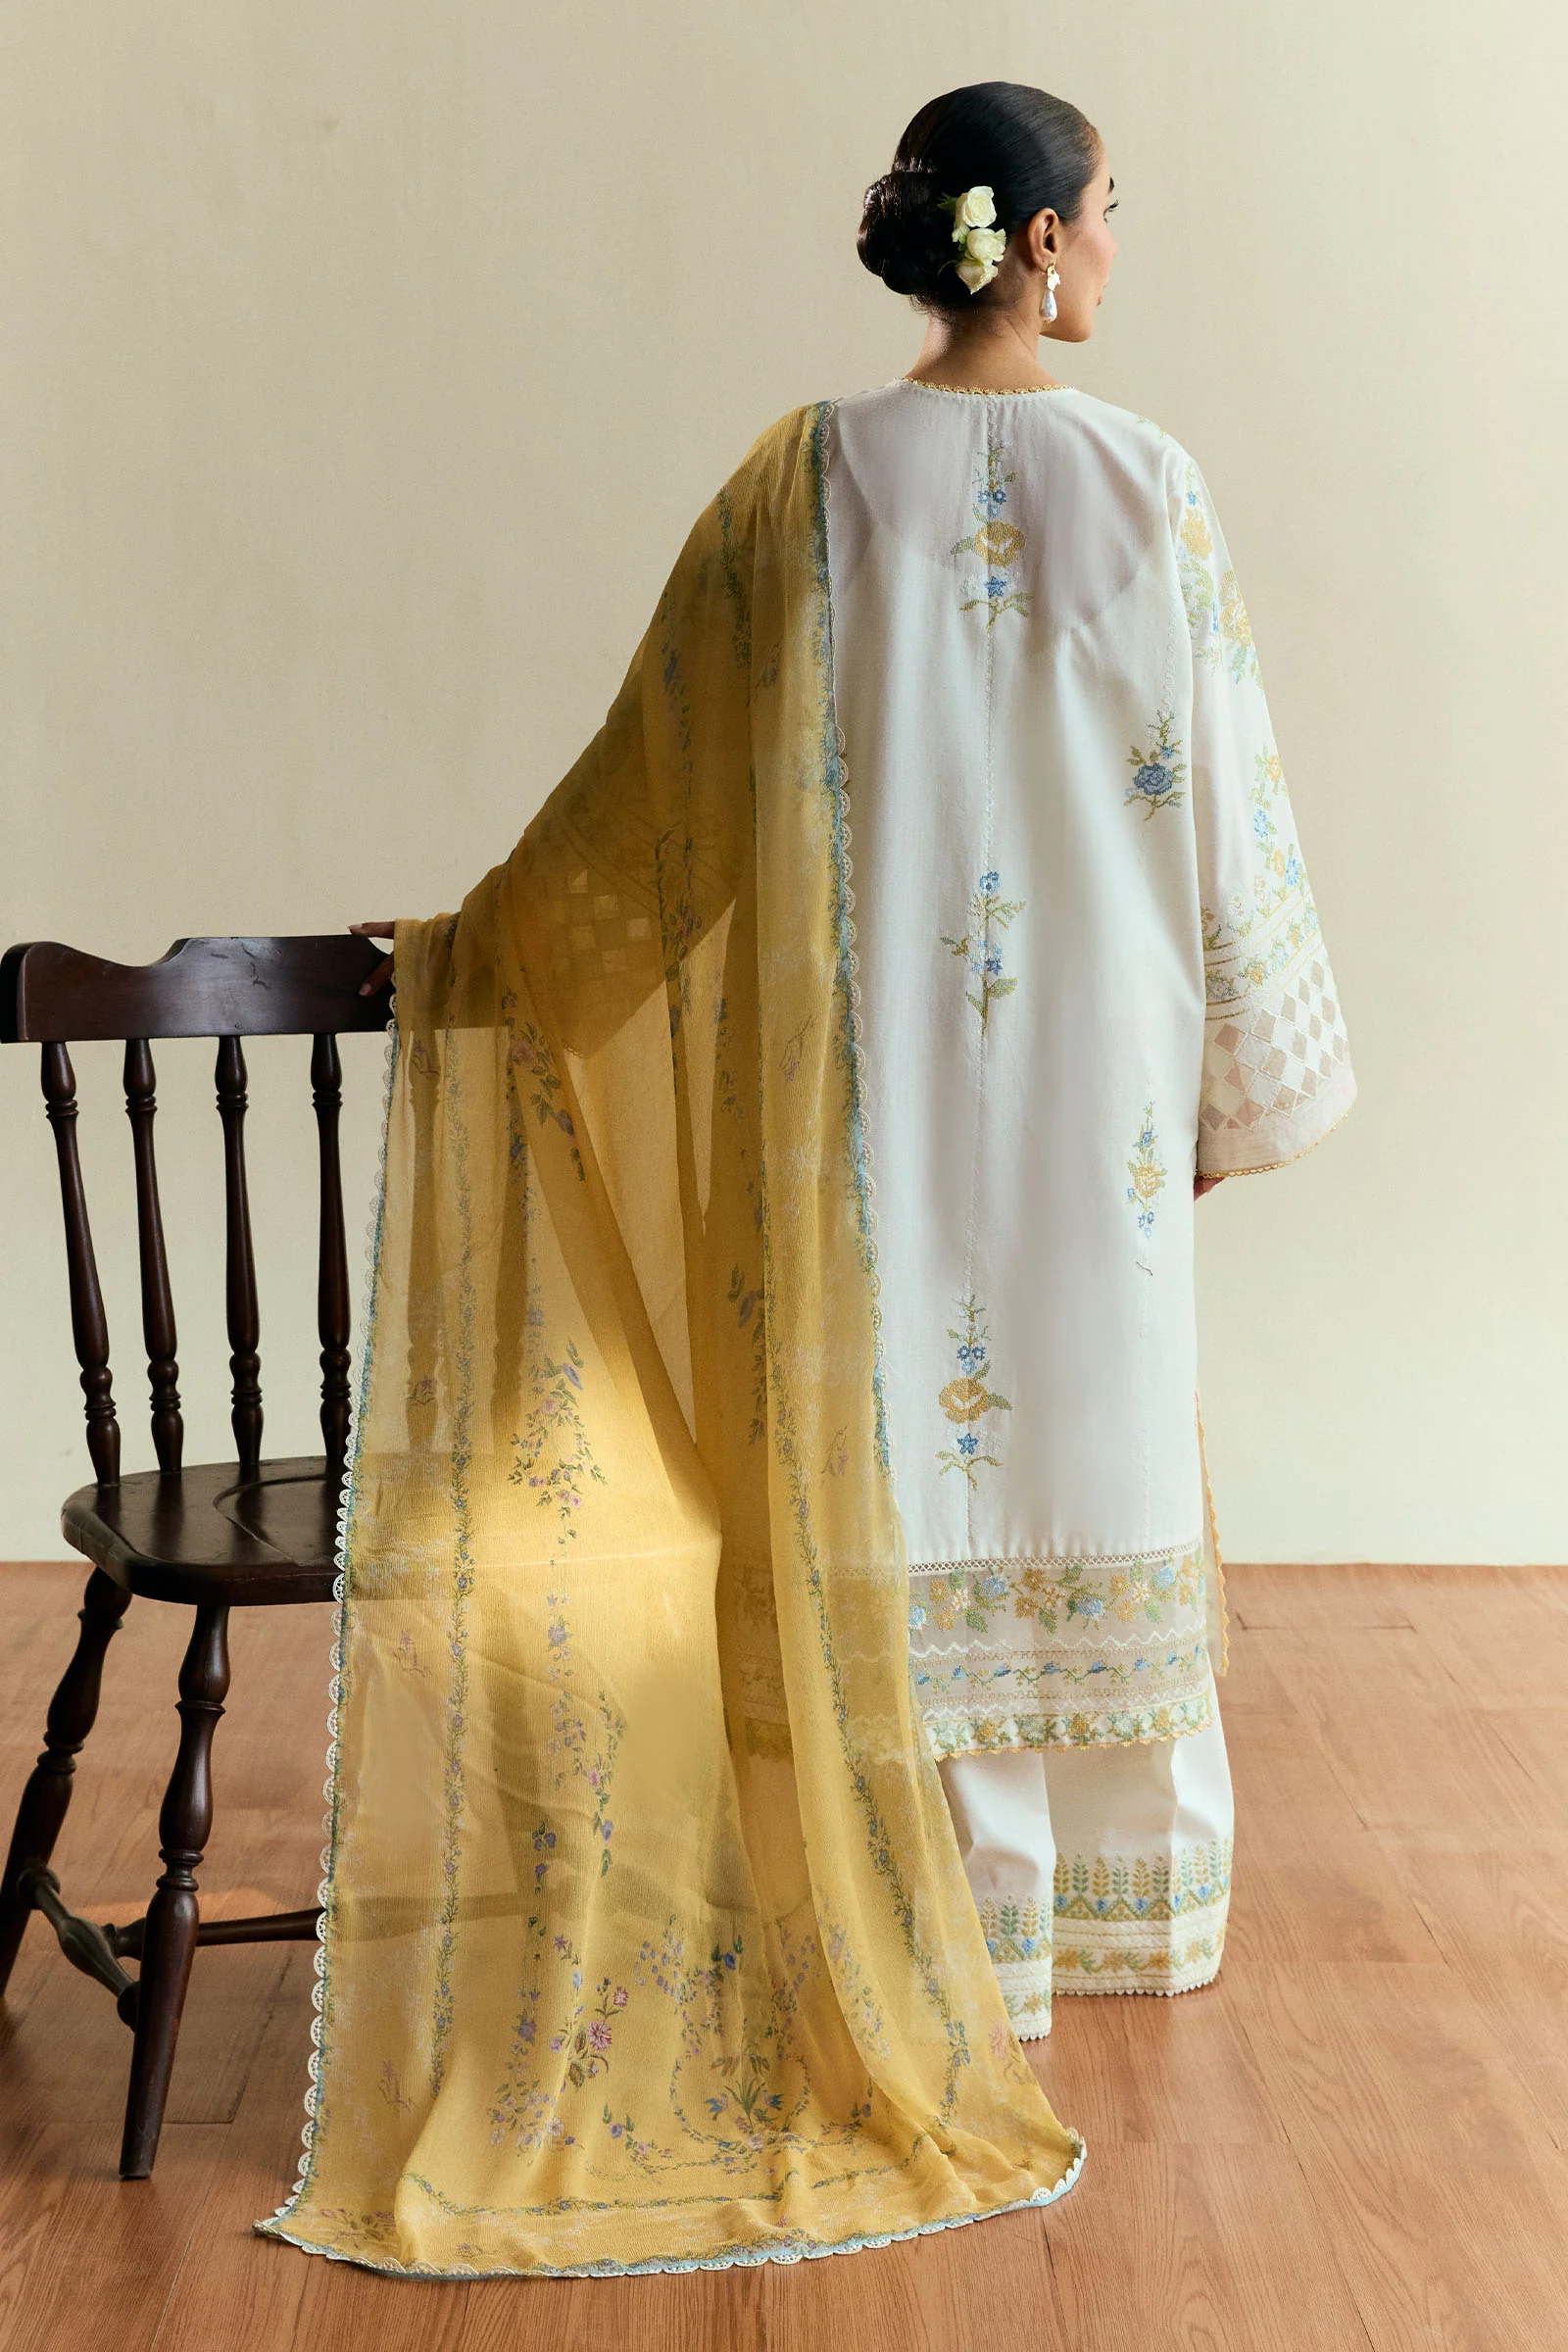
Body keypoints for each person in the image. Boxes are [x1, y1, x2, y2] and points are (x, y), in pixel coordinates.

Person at [261, 79, 1351, 2280]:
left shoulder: (804, 483)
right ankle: (1098, 1911)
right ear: (1038, 241)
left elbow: (652, 796)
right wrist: (1240, 1087)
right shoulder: (1150, 481)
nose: (1118, 244)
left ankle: (910, 1903)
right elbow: (1225, 801)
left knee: (900, 1452)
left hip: (866, 1108)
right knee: (1088, 1430)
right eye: (1110, 209)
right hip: (1101, 1091)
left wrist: (491, 946)